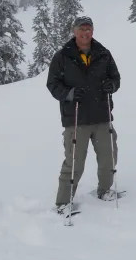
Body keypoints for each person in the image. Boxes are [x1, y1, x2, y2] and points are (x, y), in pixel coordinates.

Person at [46, 16, 121, 213]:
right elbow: (53, 85)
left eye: (88, 29)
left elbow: (116, 78)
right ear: (74, 31)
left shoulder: (103, 54)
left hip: (102, 115)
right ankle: (63, 202)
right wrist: (69, 94)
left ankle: (105, 190)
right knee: (74, 162)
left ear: (93, 31)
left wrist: (111, 85)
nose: (85, 33)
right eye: (81, 29)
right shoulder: (62, 56)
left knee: (109, 157)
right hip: (76, 118)